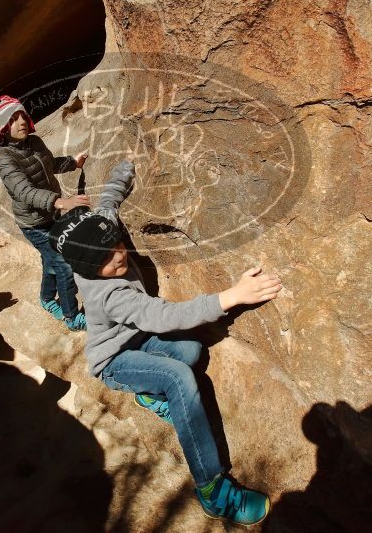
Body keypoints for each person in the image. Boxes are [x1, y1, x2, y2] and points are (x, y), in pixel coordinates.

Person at [48, 161, 283, 526]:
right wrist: (233, 296)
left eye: (118, 244)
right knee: (178, 378)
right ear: (89, 267)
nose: (119, 256)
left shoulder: (102, 241)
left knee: (191, 351)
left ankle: (149, 394)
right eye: (107, 258)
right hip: (114, 360)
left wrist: (126, 169)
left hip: (139, 341)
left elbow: (109, 201)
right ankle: (214, 493)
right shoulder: (109, 294)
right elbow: (164, 317)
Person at [0, 94, 89, 331]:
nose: (22, 121)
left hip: (50, 216)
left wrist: (73, 163)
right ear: (2, 128)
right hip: (34, 224)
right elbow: (24, 192)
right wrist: (61, 202)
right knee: (64, 265)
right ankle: (71, 317)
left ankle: (45, 299)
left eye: (22, 115)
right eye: (13, 119)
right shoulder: (5, 159)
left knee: (50, 261)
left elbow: (49, 165)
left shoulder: (34, 142)